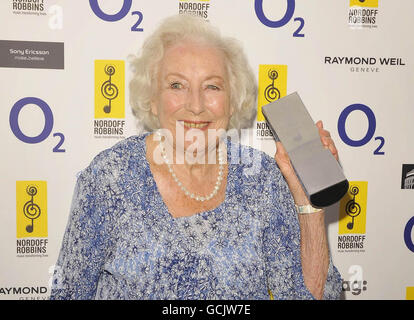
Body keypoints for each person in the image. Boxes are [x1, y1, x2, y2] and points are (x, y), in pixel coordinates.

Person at [50, 14, 342, 300]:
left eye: (212, 86)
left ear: (233, 100)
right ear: (152, 98)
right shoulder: (108, 178)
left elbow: (311, 296)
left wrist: (309, 204)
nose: (196, 105)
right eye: (177, 85)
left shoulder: (262, 178)